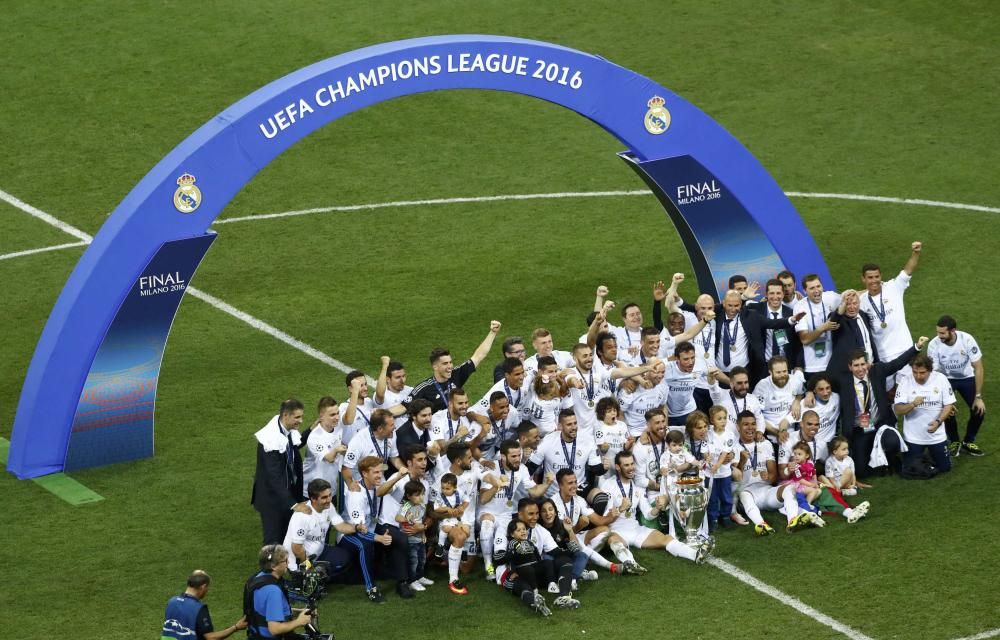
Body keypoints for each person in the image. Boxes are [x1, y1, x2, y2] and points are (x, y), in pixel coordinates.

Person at [836, 338, 928, 478]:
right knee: (861, 471)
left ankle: (890, 459)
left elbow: (897, 363)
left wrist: (917, 347)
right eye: (856, 365)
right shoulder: (843, 381)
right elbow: (822, 380)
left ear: (868, 363)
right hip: (859, 430)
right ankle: (875, 460)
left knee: (892, 442)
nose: (860, 369)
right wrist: (810, 392)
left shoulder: (877, 371)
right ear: (850, 367)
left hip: (880, 424)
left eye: (863, 364)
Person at [598, 450, 710, 564]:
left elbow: (647, 514)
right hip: (617, 531)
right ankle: (630, 564)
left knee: (666, 539)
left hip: (635, 529)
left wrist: (657, 508)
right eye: (626, 465)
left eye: (632, 464)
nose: (631, 468)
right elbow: (603, 519)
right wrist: (620, 508)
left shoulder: (638, 487)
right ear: (617, 467)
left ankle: (695, 555)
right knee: (613, 540)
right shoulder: (608, 485)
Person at [732, 412, 819, 535]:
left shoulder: (765, 444)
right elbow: (734, 479)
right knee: (744, 495)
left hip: (765, 490)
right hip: (746, 492)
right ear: (738, 427)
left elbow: (773, 477)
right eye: (745, 424)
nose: (750, 428)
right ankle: (761, 524)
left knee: (789, 488)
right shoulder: (732, 447)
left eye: (753, 424)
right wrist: (741, 462)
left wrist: (768, 477)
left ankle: (792, 520)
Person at [480, 439, 552, 579]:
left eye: (519, 455)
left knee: (501, 544)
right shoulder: (491, 469)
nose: (518, 459)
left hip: (506, 514)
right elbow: (483, 499)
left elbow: (534, 492)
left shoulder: (522, 469)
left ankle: (505, 569)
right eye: (513, 456)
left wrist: (547, 483)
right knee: (487, 525)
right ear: (503, 456)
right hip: (487, 512)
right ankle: (488, 566)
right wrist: (497, 485)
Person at [283, 478, 368, 593]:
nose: (329, 499)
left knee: (345, 558)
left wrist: (357, 527)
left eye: (329, 495)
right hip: (300, 560)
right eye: (324, 497)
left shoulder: (328, 507)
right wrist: (308, 568)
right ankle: (302, 578)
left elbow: (340, 526)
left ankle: (319, 577)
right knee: (310, 587)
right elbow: (296, 548)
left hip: (319, 551)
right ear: (313, 499)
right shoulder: (302, 517)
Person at [344, 456, 410, 602]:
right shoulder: (356, 494)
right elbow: (359, 529)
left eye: (381, 472)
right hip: (350, 533)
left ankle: (403, 581)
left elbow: (395, 496)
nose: (380, 475)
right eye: (375, 472)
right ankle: (371, 588)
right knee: (364, 545)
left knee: (400, 538)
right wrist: (379, 538)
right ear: (364, 474)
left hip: (372, 527)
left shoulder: (376, 487)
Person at [858, 242, 922, 382]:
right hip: (882, 356)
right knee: (887, 394)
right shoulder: (861, 301)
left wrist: (915, 253)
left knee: (908, 389)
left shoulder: (893, 287)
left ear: (881, 276)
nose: (874, 280)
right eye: (870, 277)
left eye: (876, 276)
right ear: (863, 279)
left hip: (904, 350)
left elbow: (908, 271)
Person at [406, 321, 502, 412]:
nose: (450, 366)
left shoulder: (456, 374)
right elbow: (403, 407)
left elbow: (479, 356)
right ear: (435, 367)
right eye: (445, 363)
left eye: (450, 362)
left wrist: (492, 332)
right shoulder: (424, 388)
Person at [928, 315, 986, 457]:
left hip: (967, 378)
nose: (939, 336)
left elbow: (978, 367)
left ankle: (968, 441)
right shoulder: (934, 345)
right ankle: (954, 441)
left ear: (953, 331)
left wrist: (978, 396)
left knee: (979, 410)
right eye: (937, 332)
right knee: (946, 411)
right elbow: (934, 374)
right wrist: (945, 401)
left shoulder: (967, 340)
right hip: (945, 380)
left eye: (942, 333)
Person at [252, 399, 307, 545]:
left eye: (301, 417)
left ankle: (286, 566)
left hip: (286, 494)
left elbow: (294, 446)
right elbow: (274, 477)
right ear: (285, 415)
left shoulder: (286, 430)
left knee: (287, 538)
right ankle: (268, 568)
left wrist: (311, 430)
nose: (300, 421)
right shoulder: (269, 439)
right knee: (273, 542)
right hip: (272, 500)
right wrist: (293, 504)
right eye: (297, 417)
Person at [894, 353, 957, 473]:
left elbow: (949, 404)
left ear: (930, 370)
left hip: (936, 436)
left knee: (945, 468)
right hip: (913, 437)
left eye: (922, 373)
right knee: (909, 469)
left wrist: (938, 422)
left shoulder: (940, 379)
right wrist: (913, 404)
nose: (918, 376)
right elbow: (898, 409)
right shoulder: (905, 381)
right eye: (915, 372)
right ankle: (926, 457)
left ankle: (931, 454)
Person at [528, 409, 604, 500]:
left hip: (578, 490)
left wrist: (604, 468)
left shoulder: (588, 440)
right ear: (560, 426)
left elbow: (596, 470)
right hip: (553, 493)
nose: (574, 427)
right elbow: (530, 468)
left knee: (601, 499)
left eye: (575, 423)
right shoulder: (548, 441)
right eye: (569, 424)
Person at [243, 545, 313, 639]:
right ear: (273, 566)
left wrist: (298, 612)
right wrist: (299, 621)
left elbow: (266, 611)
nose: (288, 563)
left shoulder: (256, 578)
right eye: (285, 561)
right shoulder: (273, 591)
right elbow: (275, 629)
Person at [162, 570, 245, 640]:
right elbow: (210, 637)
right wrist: (236, 627)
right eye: (207, 588)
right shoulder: (198, 608)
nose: (207, 591)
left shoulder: (171, 602)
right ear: (203, 586)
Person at [748, 279, 804, 371]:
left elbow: (798, 343)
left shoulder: (792, 313)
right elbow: (736, 310)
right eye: (772, 293)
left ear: (783, 294)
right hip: (761, 367)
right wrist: (744, 297)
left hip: (785, 366)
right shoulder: (755, 310)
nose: (775, 297)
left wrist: (798, 366)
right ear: (766, 294)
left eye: (778, 293)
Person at [793, 274, 842, 377]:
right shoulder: (799, 307)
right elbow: (805, 339)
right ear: (804, 291)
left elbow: (848, 299)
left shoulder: (831, 297)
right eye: (812, 288)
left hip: (834, 362)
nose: (816, 290)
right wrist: (824, 328)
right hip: (812, 367)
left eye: (818, 286)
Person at [301, 396, 348, 500]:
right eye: (332, 415)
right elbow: (329, 458)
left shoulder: (337, 427)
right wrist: (336, 450)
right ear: (321, 416)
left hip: (330, 488)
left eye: (337, 413)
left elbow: (349, 419)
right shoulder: (315, 437)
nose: (336, 417)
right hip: (312, 491)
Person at [342, 408, 401, 488]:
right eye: (391, 425)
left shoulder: (391, 434)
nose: (395, 427)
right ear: (380, 429)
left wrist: (404, 469)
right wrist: (351, 485)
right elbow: (346, 468)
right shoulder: (358, 441)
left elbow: (394, 458)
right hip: (361, 483)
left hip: (379, 479)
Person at [752, 356, 805, 444]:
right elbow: (756, 415)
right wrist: (778, 433)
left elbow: (801, 393)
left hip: (791, 431)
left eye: (785, 371)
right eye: (778, 372)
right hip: (768, 432)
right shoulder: (762, 387)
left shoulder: (795, 381)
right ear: (770, 372)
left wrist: (797, 401)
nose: (782, 375)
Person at [828, 289, 880, 375]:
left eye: (855, 303)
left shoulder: (863, 315)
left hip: (870, 367)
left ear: (859, 303)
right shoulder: (839, 319)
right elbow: (833, 321)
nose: (852, 307)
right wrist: (843, 303)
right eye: (848, 304)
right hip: (849, 372)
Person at [705, 405, 741, 531]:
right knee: (712, 497)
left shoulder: (729, 435)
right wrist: (708, 462)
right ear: (711, 420)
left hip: (724, 473)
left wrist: (717, 465)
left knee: (726, 496)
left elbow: (725, 453)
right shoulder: (707, 434)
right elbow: (705, 450)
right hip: (710, 474)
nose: (723, 421)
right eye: (719, 418)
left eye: (725, 418)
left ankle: (725, 516)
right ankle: (713, 519)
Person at [395, 481, 431, 592]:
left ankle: (419, 577)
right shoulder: (406, 505)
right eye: (417, 495)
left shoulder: (422, 506)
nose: (421, 497)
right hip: (410, 539)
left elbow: (421, 522)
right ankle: (412, 581)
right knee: (413, 561)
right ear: (409, 496)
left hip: (420, 538)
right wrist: (407, 519)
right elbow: (397, 518)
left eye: (422, 494)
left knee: (422, 559)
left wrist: (423, 533)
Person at [373, 357, 413, 428]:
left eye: (403, 376)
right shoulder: (384, 395)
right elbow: (379, 393)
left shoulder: (410, 390)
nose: (402, 380)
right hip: (392, 436)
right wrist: (385, 365)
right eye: (397, 377)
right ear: (388, 379)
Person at [781, 442, 822, 508]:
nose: (796, 456)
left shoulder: (810, 464)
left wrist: (815, 483)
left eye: (799, 454)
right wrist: (811, 485)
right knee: (813, 491)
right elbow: (800, 480)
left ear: (807, 456)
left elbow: (814, 474)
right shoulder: (796, 466)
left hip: (806, 483)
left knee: (819, 491)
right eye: (795, 454)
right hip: (797, 485)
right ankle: (806, 506)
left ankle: (803, 502)